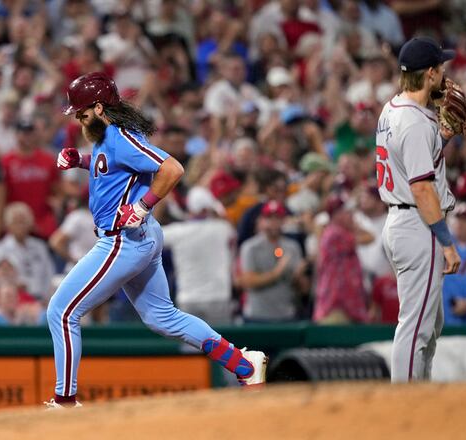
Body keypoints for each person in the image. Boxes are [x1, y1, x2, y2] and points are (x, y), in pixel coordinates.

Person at [46, 73, 266, 409]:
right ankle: (244, 365)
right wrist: (82, 161)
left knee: (61, 312)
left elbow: (173, 169)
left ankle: (65, 402)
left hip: (123, 240)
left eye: (82, 112)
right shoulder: (107, 137)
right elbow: (113, 167)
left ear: (100, 107)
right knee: (162, 316)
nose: (78, 118)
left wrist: (142, 205)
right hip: (137, 238)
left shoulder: (119, 136)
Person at [375, 37, 460, 383]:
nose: (445, 75)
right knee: (415, 327)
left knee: (429, 323)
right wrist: (447, 242)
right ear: (429, 74)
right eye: (440, 68)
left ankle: (418, 400)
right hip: (418, 224)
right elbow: (422, 187)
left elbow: (415, 158)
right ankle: (405, 407)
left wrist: (442, 138)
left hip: (404, 220)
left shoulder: (394, 108)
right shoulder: (412, 122)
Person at [162, 186, 235, 324]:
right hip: (218, 297)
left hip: (189, 299)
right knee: (219, 345)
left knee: (190, 345)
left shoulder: (179, 231)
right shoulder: (223, 229)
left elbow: (149, 236)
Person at [239, 200, 307, 323]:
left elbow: (302, 290)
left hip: (287, 314)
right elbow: (248, 281)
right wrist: (276, 272)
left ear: (283, 221)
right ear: (261, 220)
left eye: (278, 218)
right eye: (269, 218)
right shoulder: (250, 247)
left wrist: (298, 277)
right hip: (257, 316)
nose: (274, 223)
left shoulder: (292, 247)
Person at [313, 195, 369, 324]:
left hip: (344, 304)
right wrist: (355, 227)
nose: (351, 216)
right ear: (336, 214)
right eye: (347, 212)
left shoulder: (334, 231)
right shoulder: (335, 233)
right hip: (336, 306)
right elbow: (369, 237)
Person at [0, 202, 55, 301]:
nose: (20, 226)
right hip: (15, 301)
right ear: (8, 225)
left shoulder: (40, 247)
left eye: (23, 221)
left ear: (30, 223)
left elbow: (50, 273)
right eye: (16, 222)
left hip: (42, 299)